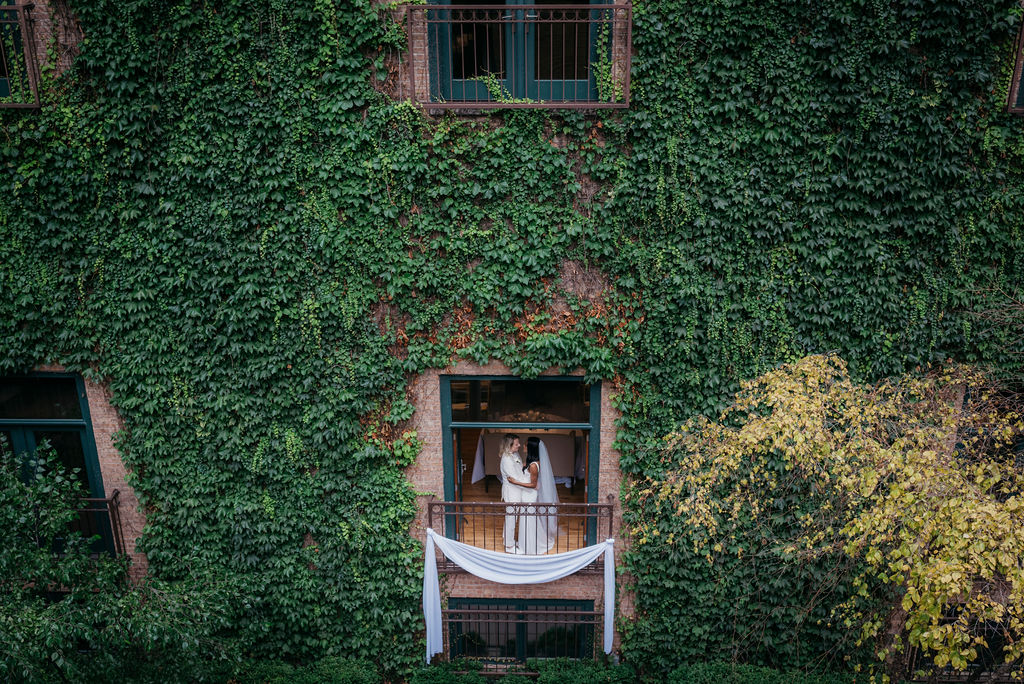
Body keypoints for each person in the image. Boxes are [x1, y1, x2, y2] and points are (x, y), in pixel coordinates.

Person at [517, 436, 559, 554]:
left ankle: (530, 546)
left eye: (525, 445)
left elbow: (533, 484)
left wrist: (516, 482)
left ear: (530, 448)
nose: (523, 446)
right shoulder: (531, 463)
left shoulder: (534, 465)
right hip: (526, 494)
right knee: (527, 518)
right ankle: (525, 542)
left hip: (529, 495)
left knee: (528, 519)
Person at [499, 434, 535, 553]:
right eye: (516, 444)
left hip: (517, 490)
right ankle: (509, 547)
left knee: (510, 517)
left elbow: (519, 471)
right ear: (509, 445)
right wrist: (531, 482)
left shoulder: (514, 454)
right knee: (511, 518)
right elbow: (515, 479)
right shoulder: (506, 460)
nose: (519, 445)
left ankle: (507, 540)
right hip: (512, 492)